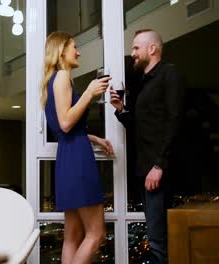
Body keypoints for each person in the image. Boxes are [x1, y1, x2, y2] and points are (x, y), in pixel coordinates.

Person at [109, 29, 185, 264]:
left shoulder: (169, 74)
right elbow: (140, 127)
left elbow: (175, 120)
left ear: (152, 49)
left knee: (158, 242)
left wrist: (159, 165)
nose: (132, 53)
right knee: (156, 238)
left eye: (136, 48)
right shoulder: (144, 83)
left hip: (157, 171)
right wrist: (121, 109)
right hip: (146, 170)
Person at [42, 31, 115, 264]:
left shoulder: (53, 80)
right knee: (96, 233)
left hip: (67, 157)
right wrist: (89, 92)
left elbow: (68, 127)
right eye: (75, 46)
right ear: (62, 50)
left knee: (72, 237)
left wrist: (95, 139)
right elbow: (65, 123)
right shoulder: (63, 77)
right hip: (77, 158)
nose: (79, 51)